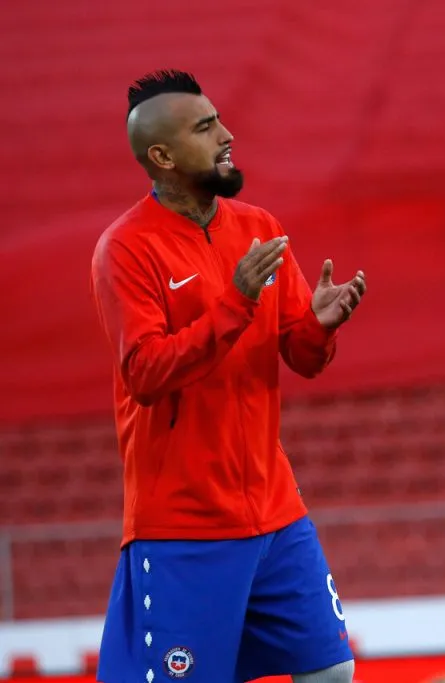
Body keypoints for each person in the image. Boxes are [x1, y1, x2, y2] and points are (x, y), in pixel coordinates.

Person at [90, 69, 365, 683]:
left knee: (332, 671)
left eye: (219, 120)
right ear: (161, 155)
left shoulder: (260, 227)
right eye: (206, 127)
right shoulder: (127, 249)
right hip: (184, 525)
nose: (226, 135)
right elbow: (145, 372)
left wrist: (319, 327)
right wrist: (237, 301)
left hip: (276, 511)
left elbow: (302, 358)